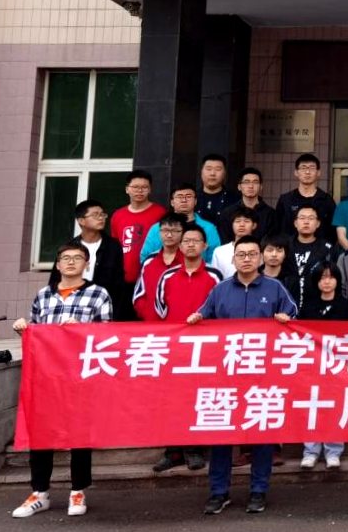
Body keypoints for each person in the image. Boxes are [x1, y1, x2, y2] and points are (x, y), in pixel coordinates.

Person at [189, 235, 296, 515]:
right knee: (221, 435)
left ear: (260, 258)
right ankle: (218, 492)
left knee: (262, 435)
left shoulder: (275, 288)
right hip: (226, 376)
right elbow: (203, 315)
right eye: (241, 255)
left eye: (252, 254)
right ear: (233, 259)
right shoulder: (220, 289)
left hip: (263, 375)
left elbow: (294, 316)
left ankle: (259, 490)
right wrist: (196, 320)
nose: (246, 259)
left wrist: (286, 320)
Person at [11, 241, 113, 519]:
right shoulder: (43, 295)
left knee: (79, 434)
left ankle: (77, 490)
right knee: (41, 432)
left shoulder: (98, 294)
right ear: (57, 265)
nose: (70, 262)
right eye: (65, 258)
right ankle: (39, 493)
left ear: (86, 264)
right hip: (47, 376)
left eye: (77, 258)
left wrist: (82, 330)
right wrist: (24, 329)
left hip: (81, 375)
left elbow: (107, 335)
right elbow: (35, 332)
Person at [152, 224, 221, 474]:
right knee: (172, 398)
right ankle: (172, 451)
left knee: (197, 397)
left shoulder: (215, 276)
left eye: (196, 240)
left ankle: (194, 450)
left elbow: (219, 309)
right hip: (174, 347)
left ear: (205, 246)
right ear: (180, 247)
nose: (191, 244)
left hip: (205, 347)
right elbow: (160, 309)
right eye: (186, 241)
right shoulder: (167, 276)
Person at [298, 262, 348, 470]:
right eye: (322, 277)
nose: (327, 281)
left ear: (337, 280)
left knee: (334, 408)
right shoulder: (308, 306)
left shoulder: (347, 306)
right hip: (313, 367)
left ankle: (333, 451)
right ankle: (311, 451)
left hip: (338, 367)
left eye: (331, 277)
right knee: (312, 409)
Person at [49, 200, 126, 319]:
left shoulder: (113, 246)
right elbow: (55, 281)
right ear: (81, 221)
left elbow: (118, 285)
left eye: (102, 214)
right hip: (72, 308)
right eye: (95, 215)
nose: (101, 218)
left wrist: (113, 316)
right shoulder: (69, 248)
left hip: (102, 309)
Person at [139, 182, 221, 265]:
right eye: (179, 196)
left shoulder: (208, 228)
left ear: (195, 201)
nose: (184, 200)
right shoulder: (157, 228)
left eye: (188, 196)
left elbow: (214, 259)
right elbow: (145, 257)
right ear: (172, 202)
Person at [110, 170, 165, 288]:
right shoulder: (118, 215)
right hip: (123, 279)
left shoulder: (160, 213)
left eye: (144, 187)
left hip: (151, 277)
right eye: (135, 187)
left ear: (150, 190)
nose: (140, 191)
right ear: (127, 189)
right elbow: (115, 247)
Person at [135, 213, 191, 321]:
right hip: (152, 323)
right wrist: (146, 312)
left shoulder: (189, 261)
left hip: (181, 324)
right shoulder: (149, 261)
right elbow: (139, 294)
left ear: (183, 233)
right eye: (165, 230)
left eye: (175, 231)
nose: (169, 235)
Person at [276, 153, 337, 245]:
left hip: (320, 251)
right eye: (303, 168)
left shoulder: (327, 200)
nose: (307, 172)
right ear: (296, 172)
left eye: (312, 168)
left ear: (318, 172)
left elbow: (333, 232)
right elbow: (278, 229)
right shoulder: (285, 200)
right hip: (290, 251)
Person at [289, 205, 336, 313]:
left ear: (318, 223)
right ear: (295, 223)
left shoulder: (327, 248)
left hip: (316, 308)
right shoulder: (285, 246)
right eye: (302, 218)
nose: (306, 222)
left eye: (311, 218)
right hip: (287, 306)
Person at [218, 167, 277, 242]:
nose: (251, 186)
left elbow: (272, 241)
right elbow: (225, 241)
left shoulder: (271, 214)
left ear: (261, 187)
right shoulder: (227, 213)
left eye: (255, 182)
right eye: (246, 182)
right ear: (239, 187)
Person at [211, 205, 258, 281]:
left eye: (246, 221)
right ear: (232, 224)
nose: (242, 225)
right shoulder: (219, 252)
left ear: (254, 225)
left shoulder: (260, 250)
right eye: (237, 221)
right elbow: (215, 279)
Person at [197, 154, 234, 227]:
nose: (212, 173)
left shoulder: (235, 199)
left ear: (224, 173)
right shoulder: (192, 198)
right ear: (201, 172)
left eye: (218, 169)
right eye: (208, 169)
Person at [260, 234, 300, 300]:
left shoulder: (291, 281)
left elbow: (293, 304)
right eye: (270, 250)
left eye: (279, 251)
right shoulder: (254, 276)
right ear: (261, 253)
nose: (274, 254)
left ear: (285, 254)